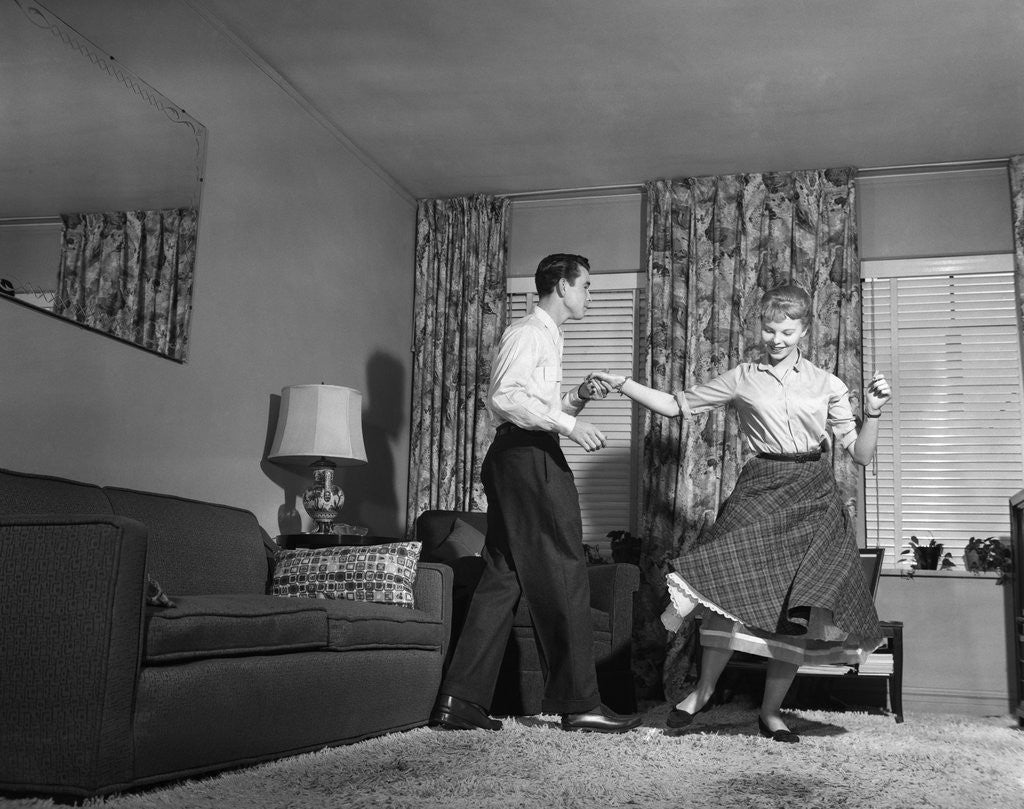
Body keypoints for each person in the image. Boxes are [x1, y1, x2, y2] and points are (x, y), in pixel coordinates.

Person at [591, 282, 891, 743]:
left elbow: (862, 456)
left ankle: (772, 713)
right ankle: (703, 691)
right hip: (761, 487)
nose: (777, 340)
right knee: (724, 589)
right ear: (760, 328)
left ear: (804, 331)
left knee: (797, 609)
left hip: (813, 495)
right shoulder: (741, 377)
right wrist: (624, 384)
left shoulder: (828, 384)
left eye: (787, 331)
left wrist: (871, 414)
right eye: (770, 330)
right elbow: (676, 406)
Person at [430, 253, 642, 734]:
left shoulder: (549, 337)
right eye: (585, 285)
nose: (589, 294)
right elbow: (506, 397)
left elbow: (537, 403)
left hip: (519, 457)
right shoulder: (528, 332)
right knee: (566, 569)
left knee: (502, 575)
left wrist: (578, 397)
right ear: (562, 287)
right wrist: (571, 424)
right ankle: (581, 703)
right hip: (529, 459)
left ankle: (458, 701)